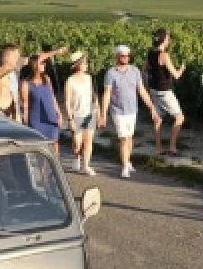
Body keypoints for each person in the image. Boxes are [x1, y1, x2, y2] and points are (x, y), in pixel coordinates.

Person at [98, 44, 160, 178]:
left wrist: (152, 107)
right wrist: (103, 114)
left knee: (130, 138)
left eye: (127, 56)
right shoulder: (111, 73)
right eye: (122, 56)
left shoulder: (135, 71)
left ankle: (127, 160)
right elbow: (107, 93)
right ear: (117, 57)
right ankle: (125, 166)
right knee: (124, 139)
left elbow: (142, 90)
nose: (125, 58)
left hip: (132, 110)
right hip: (118, 111)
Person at [145, 28, 187, 156]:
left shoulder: (150, 53)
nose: (169, 40)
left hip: (154, 90)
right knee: (179, 118)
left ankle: (158, 149)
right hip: (165, 91)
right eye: (168, 38)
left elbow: (144, 70)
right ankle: (172, 147)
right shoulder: (164, 55)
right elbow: (176, 75)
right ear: (164, 40)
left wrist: (147, 87)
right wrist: (182, 69)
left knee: (157, 119)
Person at [21, 52, 65, 153]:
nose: (44, 65)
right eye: (42, 63)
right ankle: (43, 169)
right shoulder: (26, 84)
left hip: (51, 116)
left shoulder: (47, 79)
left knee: (55, 145)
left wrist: (59, 113)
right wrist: (26, 124)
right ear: (34, 65)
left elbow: (52, 97)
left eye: (44, 63)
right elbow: (25, 106)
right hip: (36, 120)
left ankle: (55, 167)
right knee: (42, 149)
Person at [64, 51, 98, 175]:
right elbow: (67, 102)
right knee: (77, 142)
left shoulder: (89, 78)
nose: (86, 65)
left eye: (86, 62)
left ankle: (86, 166)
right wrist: (70, 119)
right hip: (76, 114)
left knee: (88, 140)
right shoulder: (70, 81)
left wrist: (97, 109)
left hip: (89, 113)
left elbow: (93, 94)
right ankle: (77, 157)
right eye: (84, 63)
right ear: (77, 65)